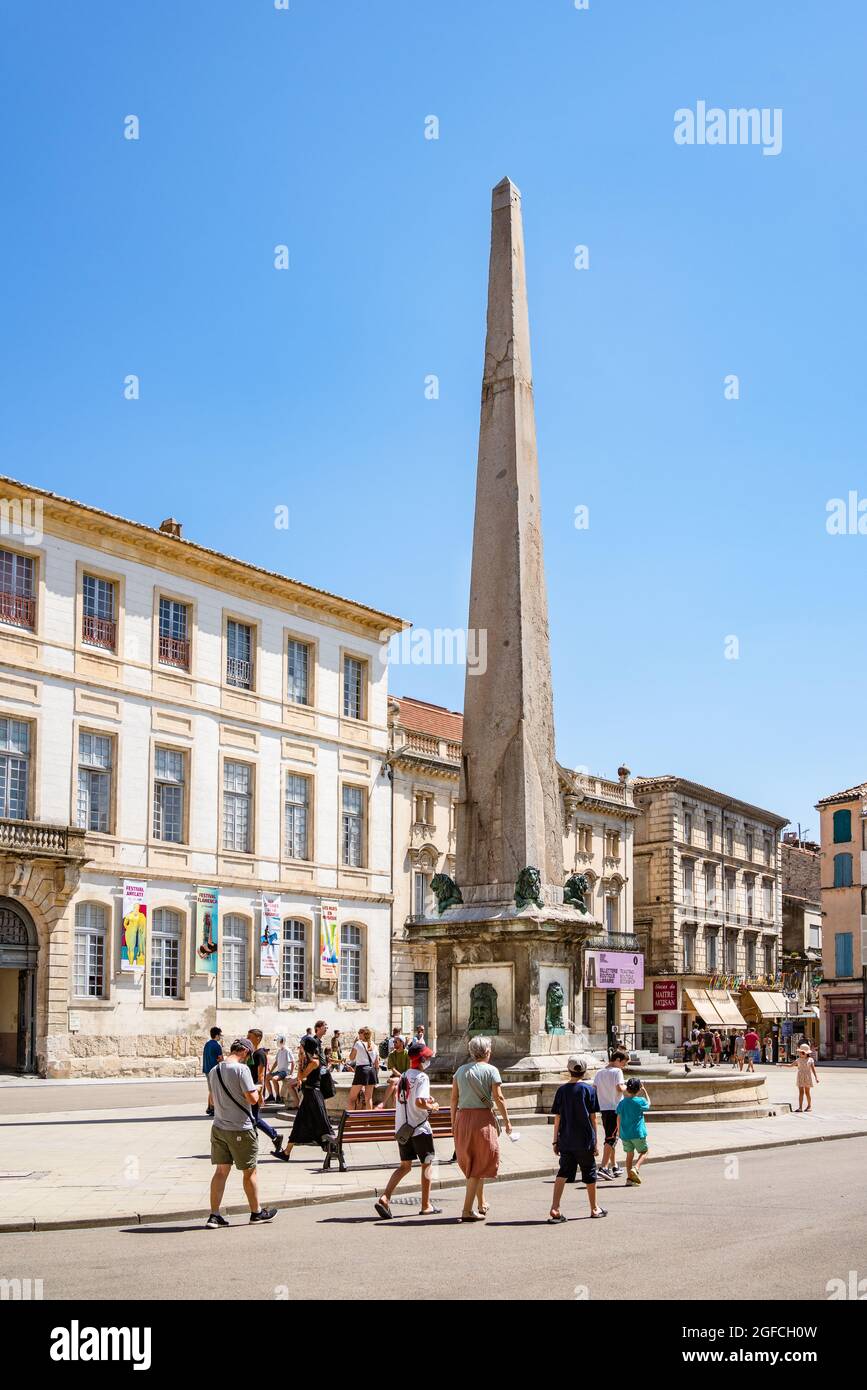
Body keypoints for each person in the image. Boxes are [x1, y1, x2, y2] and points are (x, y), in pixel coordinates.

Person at [205, 1038, 278, 1227]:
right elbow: (253, 1100)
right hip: (240, 1128)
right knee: (249, 1171)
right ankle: (256, 1212)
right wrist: (259, 1088)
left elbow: (212, 1101)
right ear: (245, 1051)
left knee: (221, 1171)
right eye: (249, 1055)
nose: (249, 1059)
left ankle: (214, 1215)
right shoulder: (241, 1070)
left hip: (219, 1127)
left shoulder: (214, 1070)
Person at [374, 1042, 442, 1218]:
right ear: (422, 1059)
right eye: (427, 1057)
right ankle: (426, 1205)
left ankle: (385, 1197)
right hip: (420, 1128)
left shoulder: (404, 1075)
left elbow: (407, 1098)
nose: (429, 1060)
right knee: (427, 1164)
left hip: (403, 1129)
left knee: (404, 1166)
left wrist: (426, 1100)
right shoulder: (422, 1077)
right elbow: (420, 1102)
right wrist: (432, 1105)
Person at [451, 1036, 512, 1221]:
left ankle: (481, 1202)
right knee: (480, 1163)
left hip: (462, 1118)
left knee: (473, 1161)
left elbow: (453, 1099)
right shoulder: (491, 1070)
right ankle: (466, 1210)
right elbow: (499, 1097)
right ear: (487, 1052)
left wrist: (453, 1122)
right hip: (482, 1119)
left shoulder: (460, 1071)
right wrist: (507, 1121)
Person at [548, 1058, 607, 1222]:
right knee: (589, 1172)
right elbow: (593, 1118)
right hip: (584, 1139)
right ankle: (594, 1208)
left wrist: (555, 1141)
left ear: (569, 1070)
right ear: (584, 1071)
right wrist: (595, 1141)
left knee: (563, 1172)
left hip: (566, 1139)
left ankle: (555, 1207)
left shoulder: (561, 1091)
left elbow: (557, 1118)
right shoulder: (589, 1090)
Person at [282, 1021, 335, 1157]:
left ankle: (335, 1148)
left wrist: (301, 1070)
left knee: (323, 1122)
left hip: (314, 1092)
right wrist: (300, 1061)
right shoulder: (308, 1059)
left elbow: (307, 1070)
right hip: (310, 1091)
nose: (300, 1047)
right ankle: (286, 1152)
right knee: (299, 1122)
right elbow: (302, 1074)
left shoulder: (313, 1061)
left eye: (302, 1046)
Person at [246, 1028, 289, 1160]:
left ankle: (274, 1136)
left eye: (250, 1036)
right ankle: (271, 1137)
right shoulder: (252, 1053)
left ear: (258, 1038)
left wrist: (260, 1095)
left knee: (253, 1118)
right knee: (252, 1118)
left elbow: (261, 1076)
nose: (247, 1038)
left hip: (255, 1090)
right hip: (249, 1090)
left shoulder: (260, 1054)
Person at [594, 1048, 628, 1180]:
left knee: (610, 1136)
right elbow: (620, 1088)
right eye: (623, 1063)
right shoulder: (617, 1071)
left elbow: (594, 1089)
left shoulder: (599, 1072)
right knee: (611, 1138)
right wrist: (627, 1086)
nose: (624, 1066)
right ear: (618, 1060)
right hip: (616, 1108)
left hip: (604, 1108)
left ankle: (613, 1166)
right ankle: (603, 1167)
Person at [616, 1077, 650, 1185]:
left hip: (625, 1134)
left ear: (627, 1089)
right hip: (638, 1133)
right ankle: (636, 1168)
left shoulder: (622, 1103)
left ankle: (629, 1179)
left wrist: (619, 1131)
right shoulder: (640, 1101)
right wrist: (645, 1091)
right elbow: (648, 1104)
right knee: (645, 1151)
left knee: (629, 1155)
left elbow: (618, 1117)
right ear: (638, 1089)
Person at [347, 1026, 379, 1110]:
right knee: (369, 1098)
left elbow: (351, 1058)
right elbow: (377, 1064)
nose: (358, 1034)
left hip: (361, 1071)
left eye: (359, 1033)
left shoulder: (358, 1044)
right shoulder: (375, 1046)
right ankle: (369, 1122)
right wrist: (376, 1077)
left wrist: (354, 1044)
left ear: (363, 1034)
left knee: (351, 1099)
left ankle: (351, 1120)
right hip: (372, 1071)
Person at [374, 1034, 409, 1111]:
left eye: (396, 1042)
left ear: (402, 1043)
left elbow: (408, 1070)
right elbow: (392, 1069)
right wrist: (401, 1076)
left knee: (394, 1084)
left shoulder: (407, 1054)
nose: (394, 1043)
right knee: (395, 1085)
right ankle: (392, 1107)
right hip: (397, 1077)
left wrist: (402, 1077)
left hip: (405, 1077)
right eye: (393, 1042)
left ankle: (385, 1103)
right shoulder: (392, 1054)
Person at [791, 1042, 819, 1112]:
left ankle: (809, 1106)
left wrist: (816, 1077)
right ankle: (800, 1107)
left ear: (804, 1053)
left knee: (807, 1092)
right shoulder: (798, 1060)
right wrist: (781, 1065)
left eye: (800, 1052)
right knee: (801, 1092)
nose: (799, 1053)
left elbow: (813, 1069)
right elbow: (791, 1065)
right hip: (800, 1077)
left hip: (807, 1077)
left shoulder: (810, 1060)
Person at [202, 1026, 223, 1116]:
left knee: (211, 1089)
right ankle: (214, 1108)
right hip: (214, 1070)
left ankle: (210, 1107)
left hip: (207, 1069)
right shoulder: (217, 1046)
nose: (220, 1037)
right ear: (217, 1035)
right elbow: (220, 1059)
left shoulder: (207, 1044)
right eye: (220, 1035)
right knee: (214, 1090)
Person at [267, 1035, 293, 1106]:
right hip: (279, 1071)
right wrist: (270, 1071)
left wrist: (291, 1073)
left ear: (282, 1041)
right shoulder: (279, 1051)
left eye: (278, 1041)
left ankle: (278, 1096)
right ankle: (271, 1096)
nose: (277, 1042)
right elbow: (276, 1062)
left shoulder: (287, 1050)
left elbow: (292, 1062)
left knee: (274, 1079)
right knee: (266, 1078)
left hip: (285, 1071)